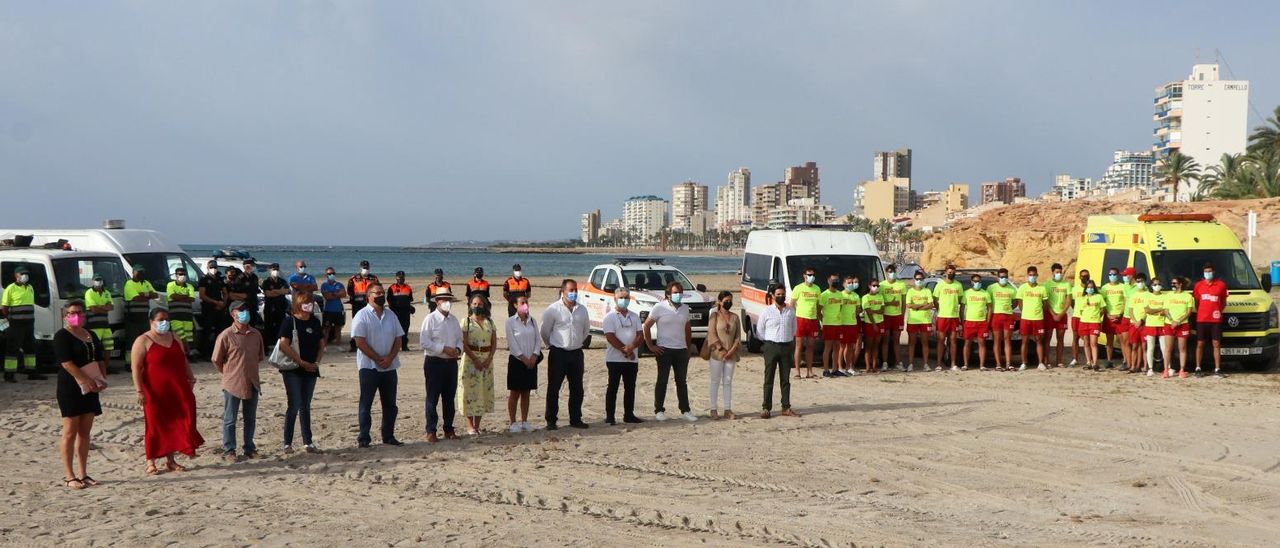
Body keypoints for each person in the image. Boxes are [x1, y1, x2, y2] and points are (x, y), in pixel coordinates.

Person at [131, 308, 203, 475]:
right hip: (155, 391)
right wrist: (139, 390)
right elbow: (136, 368)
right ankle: (151, 461)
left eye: (166, 319)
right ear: (151, 321)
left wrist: (191, 377)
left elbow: (183, 359)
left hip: (178, 388)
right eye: (160, 319)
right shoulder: (143, 340)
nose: (164, 322)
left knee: (181, 419)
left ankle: (171, 460)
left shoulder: (174, 337)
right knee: (155, 425)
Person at [54, 300, 105, 489]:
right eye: (72, 313)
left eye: (80, 312)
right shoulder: (62, 336)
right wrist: (85, 380)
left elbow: (98, 358)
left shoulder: (90, 334)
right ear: (65, 316)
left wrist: (101, 380)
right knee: (70, 431)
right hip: (71, 387)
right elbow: (67, 363)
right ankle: (69, 476)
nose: (77, 315)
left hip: (91, 387)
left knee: (85, 432)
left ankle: (83, 474)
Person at [351, 283, 404, 448]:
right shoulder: (362, 315)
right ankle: (364, 437)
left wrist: (389, 358)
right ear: (369, 296)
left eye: (383, 292)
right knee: (366, 403)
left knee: (390, 404)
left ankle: (388, 436)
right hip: (369, 367)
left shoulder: (391, 315)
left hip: (390, 367)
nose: (381, 295)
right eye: (377, 292)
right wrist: (377, 358)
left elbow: (398, 339)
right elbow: (359, 341)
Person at [212, 300, 265, 462]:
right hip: (232, 384)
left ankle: (249, 448)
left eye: (245, 309)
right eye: (239, 310)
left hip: (252, 382)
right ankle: (229, 450)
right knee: (230, 420)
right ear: (232, 314)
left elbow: (259, 357)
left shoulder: (256, 334)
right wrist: (228, 374)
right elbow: (216, 360)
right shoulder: (226, 335)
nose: (244, 313)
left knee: (250, 418)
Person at [276, 291, 325, 453]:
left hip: (311, 369)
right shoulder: (289, 322)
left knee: (306, 405)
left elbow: (321, 344)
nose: (308, 306)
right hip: (293, 369)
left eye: (310, 302)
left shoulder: (315, 322)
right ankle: (287, 443)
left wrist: (316, 363)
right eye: (305, 302)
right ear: (298, 304)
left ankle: (307, 441)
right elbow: (284, 345)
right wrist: (301, 362)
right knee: (294, 404)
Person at [539, 279, 590, 430]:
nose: (574, 293)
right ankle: (551, 420)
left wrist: (577, 342)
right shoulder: (553, 309)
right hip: (558, 353)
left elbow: (585, 330)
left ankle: (575, 419)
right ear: (563, 291)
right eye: (571, 290)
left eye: (575, 290)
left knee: (577, 388)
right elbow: (544, 331)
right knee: (554, 388)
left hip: (576, 353)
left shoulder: (582, 309)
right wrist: (551, 345)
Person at [644, 281, 696, 422]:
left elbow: (687, 329)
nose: (678, 295)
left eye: (680, 292)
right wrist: (651, 346)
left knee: (682, 381)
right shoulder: (659, 307)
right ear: (668, 294)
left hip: (681, 350)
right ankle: (659, 410)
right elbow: (646, 327)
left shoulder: (685, 308)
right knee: (662, 380)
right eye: (675, 292)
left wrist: (688, 347)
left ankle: (685, 410)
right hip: (664, 350)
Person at [421, 286, 463, 442]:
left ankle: (449, 429)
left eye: (449, 300)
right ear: (437, 302)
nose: (447, 302)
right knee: (432, 397)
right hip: (434, 362)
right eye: (444, 300)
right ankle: (431, 430)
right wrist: (443, 349)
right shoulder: (430, 319)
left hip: (451, 363)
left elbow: (460, 339)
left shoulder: (453, 320)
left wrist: (458, 350)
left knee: (449, 398)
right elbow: (424, 342)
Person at [600, 288, 643, 425]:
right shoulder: (609, 317)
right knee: (613, 387)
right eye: (621, 297)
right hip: (614, 359)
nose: (624, 300)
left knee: (630, 388)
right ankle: (610, 416)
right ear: (615, 299)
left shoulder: (634, 316)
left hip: (632, 359)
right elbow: (610, 336)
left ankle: (629, 415)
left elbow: (640, 335)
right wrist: (625, 350)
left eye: (626, 297)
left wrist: (632, 348)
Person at [756, 284, 800, 419]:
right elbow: (759, 331)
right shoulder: (766, 312)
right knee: (768, 378)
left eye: (783, 294)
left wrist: (786, 341)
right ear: (772, 295)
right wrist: (770, 342)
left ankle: (786, 407)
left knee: (785, 379)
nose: (781, 296)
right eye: (778, 294)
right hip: (771, 347)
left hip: (787, 347)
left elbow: (794, 330)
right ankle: (766, 408)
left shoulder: (791, 311)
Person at [458, 295, 496, 435]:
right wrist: (475, 359)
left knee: (482, 392)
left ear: (484, 305)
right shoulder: (466, 322)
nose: (476, 306)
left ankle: (477, 425)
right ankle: (470, 425)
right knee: (469, 391)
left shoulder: (490, 322)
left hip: (487, 360)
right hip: (470, 360)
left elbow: (494, 342)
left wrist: (489, 358)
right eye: (474, 303)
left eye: (479, 304)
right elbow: (464, 343)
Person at [2, 266, 47, 382]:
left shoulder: (30, 287)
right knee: (13, 349)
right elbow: (4, 307)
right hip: (16, 324)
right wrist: (10, 319)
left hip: (29, 324)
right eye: (22, 274)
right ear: (16, 275)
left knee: (30, 348)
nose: (25, 276)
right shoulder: (10, 289)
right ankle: (9, 374)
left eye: (26, 274)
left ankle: (31, 372)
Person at [505, 295, 541, 432]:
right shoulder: (510, 322)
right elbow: (512, 343)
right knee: (515, 392)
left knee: (526, 392)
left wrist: (534, 355)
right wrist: (523, 358)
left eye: (526, 302)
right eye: (522, 303)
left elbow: (538, 339)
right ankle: (513, 422)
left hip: (532, 361)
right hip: (517, 361)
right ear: (515, 305)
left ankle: (525, 421)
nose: (525, 305)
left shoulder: (533, 321)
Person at [705, 291, 740, 420]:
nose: (728, 303)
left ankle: (727, 409)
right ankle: (713, 409)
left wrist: (731, 351)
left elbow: (737, 337)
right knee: (715, 381)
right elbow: (712, 334)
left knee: (728, 381)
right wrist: (721, 349)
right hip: (717, 354)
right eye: (726, 300)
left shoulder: (735, 317)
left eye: (730, 300)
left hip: (731, 354)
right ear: (719, 302)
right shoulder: (714, 316)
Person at [1193, 263, 1228, 377]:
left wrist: (1217, 310)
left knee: (1216, 343)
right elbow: (1197, 302)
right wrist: (1202, 311)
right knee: (1200, 343)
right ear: (1203, 273)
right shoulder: (1198, 285)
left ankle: (1217, 369)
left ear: (1214, 272)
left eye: (1210, 271)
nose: (1208, 273)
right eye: (1206, 271)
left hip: (1216, 319)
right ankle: (1198, 368)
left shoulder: (1221, 285)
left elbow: (1223, 302)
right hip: (1202, 319)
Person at [122, 265, 157, 369]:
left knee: (146, 339)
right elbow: (137, 298)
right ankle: (130, 363)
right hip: (132, 317)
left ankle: (145, 361)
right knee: (131, 341)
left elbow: (155, 295)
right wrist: (147, 295)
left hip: (144, 317)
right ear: (133, 272)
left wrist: (144, 294)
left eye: (142, 272)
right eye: (138, 272)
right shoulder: (129, 283)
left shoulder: (146, 283)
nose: (141, 274)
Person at [1014, 266, 1049, 371]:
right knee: (1025, 341)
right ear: (1027, 275)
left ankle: (1040, 363)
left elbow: (1045, 304)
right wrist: (1026, 312)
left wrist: (1038, 312)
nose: (1032, 277)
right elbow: (1020, 304)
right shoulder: (1022, 288)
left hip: (1038, 318)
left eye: (1034, 275)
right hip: (1026, 318)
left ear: (1037, 275)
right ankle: (1024, 363)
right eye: (1030, 275)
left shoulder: (1042, 288)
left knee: (1039, 340)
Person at [791, 267, 821, 379]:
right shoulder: (798, 288)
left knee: (810, 347)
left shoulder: (817, 289)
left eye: (813, 274)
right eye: (809, 274)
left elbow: (818, 306)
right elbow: (792, 304)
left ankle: (809, 371)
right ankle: (797, 372)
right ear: (804, 275)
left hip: (812, 320)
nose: (811, 276)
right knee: (799, 346)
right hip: (800, 319)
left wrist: (819, 320)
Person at [933, 265, 964, 371]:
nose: (951, 274)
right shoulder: (940, 285)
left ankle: (953, 364)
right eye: (949, 272)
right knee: (941, 340)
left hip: (954, 317)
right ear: (946, 272)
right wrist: (940, 309)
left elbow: (960, 300)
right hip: (942, 316)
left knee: (953, 341)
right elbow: (935, 299)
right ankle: (938, 364)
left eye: (953, 272)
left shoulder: (958, 285)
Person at [84, 274, 116, 375]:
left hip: (105, 325)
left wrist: (100, 307)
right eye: (96, 280)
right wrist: (104, 307)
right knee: (94, 347)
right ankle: (95, 368)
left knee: (109, 346)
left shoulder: (106, 292)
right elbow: (93, 309)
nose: (98, 282)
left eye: (100, 280)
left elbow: (111, 307)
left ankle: (106, 368)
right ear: (92, 282)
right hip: (94, 326)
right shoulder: (89, 292)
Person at [1164, 277, 1196, 379]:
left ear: (1180, 284)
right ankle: (1166, 370)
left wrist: (1178, 321)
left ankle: (1182, 370)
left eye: (1175, 283)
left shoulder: (1187, 296)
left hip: (1182, 324)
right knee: (1168, 348)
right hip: (1169, 324)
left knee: (1182, 348)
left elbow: (1188, 312)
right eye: (1172, 283)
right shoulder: (1168, 295)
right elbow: (1166, 310)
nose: (1173, 285)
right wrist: (1172, 320)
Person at [1043, 263, 1074, 368]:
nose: (1059, 274)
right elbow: (1046, 301)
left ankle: (1059, 361)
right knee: (1048, 338)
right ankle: (1047, 361)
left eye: (1060, 272)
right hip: (1049, 314)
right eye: (1057, 272)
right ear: (1052, 272)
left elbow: (1068, 300)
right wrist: (1053, 314)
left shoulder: (1067, 284)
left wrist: (1061, 313)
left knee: (1060, 339)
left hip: (1062, 315)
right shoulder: (1047, 284)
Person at [166, 267, 199, 361]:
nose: (182, 276)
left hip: (187, 315)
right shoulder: (170, 285)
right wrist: (185, 297)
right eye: (180, 274)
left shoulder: (189, 286)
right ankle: (188, 353)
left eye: (184, 274)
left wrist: (178, 296)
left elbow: (192, 299)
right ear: (176, 275)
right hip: (175, 315)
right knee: (180, 335)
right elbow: (172, 296)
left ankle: (185, 355)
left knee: (188, 336)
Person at [879, 264, 908, 371]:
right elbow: (879, 301)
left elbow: (904, 303)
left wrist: (902, 315)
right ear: (886, 273)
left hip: (897, 316)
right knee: (885, 340)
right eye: (889, 272)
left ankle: (898, 363)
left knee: (896, 340)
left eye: (893, 271)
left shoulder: (902, 285)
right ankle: (885, 363)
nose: (891, 273)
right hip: (885, 316)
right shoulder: (882, 285)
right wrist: (890, 303)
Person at [347, 260, 380, 352]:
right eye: (364, 268)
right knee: (356, 325)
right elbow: (349, 291)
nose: (366, 269)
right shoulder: (353, 279)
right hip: (357, 305)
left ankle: (371, 344)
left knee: (371, 324)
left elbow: (378, 289)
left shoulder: (374, 278)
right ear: (360, 268)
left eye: (367, 268)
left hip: (370, 305)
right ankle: (354, 345)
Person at [961, 273, 992, 370]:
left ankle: (982, 365)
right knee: (967, 343)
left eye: (979, 281)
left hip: (982, 322)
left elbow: (990, 308)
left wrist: (987, 322)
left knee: (982, 343)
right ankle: (966, 364)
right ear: (971, 282)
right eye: (975, 281)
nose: (977, 283)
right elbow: (962, 308)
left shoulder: (985, 293)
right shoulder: (966, 293)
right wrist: (963, 322)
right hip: (969, 322)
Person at [197, 260, 228, 359]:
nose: (213, 269)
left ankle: (219, 352)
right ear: (207, 268)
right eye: (211, 267)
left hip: (219, 308)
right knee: (207, 331)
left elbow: (225, 292)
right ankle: (205, 353)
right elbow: (202, 295)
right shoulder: (204, 279)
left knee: (220, 331)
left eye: (215, 267)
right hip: (208, 308)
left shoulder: (219, 279)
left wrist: (223, 303)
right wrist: (215, 302)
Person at [988, 269, 1017, 371]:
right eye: (1001, 277)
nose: (1003, 279)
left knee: (1007, 340)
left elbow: (1015, 302)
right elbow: (988, 303)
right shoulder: (991, 288)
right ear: (997, 277)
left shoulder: (1012, 289)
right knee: (997, 340)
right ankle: (998, 364)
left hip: (1008, 316)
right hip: (996, 316)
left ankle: (1008, 364)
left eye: (1005, 277)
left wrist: (1009, 308)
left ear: (1007, 277)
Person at [904, 271, 933, 371]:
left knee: (925, 342)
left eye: (921, 279)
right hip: (913, 320)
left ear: (923, 280)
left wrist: (917, 306)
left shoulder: (927, 291)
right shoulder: (910, 292)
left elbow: (931, 305)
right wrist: (923, 305)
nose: (919, 281)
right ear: (914, 280)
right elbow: (908, 305)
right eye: (917, 279)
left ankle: (925, 364)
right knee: (912, 342)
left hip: (925, 320)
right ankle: (910, 364)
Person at [1100, 267, 1128, 369]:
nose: (1112, 276)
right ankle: (1109, 360)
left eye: (1114, 274)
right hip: (1108, 316)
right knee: (1109, 340)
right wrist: (1108, 315)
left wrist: (1120, 314)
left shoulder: (1123, 287)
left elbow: (1125, 301)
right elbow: (1102, 303)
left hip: (1120, 316)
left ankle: (1125, 360)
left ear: (1118, 275)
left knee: (1122, 341)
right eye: (1110, 274)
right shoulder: (1104, 288)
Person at [1143, 277, 1171, 377]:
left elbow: (1165, 311)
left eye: (1158, 284)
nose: (1157, 286)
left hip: (1162, 324)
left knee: (1164, 347)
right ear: (1151, 286)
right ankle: (1150, 368)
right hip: (1150, 324)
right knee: (1150, 347)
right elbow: (1147, 310)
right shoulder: (1148, 296)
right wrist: (1159, 310)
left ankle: (1167, 368)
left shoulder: (1165, 296)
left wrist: (1154, 310)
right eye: (1154, 284)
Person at [818, 275, 845, 378]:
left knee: (837, 347)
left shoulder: (840, 294)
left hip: (838, 324)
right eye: (833, 280)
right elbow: (818, 310)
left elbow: (840, 307)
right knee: (828, 347)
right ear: (828, 281)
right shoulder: (824, 295)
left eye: (837, 280)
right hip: (828, 324)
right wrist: (822, 321)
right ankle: (825, 370)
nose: (835, 282)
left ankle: (835, 369)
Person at [1075, 280, 1106, 370]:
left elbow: (1103, 308)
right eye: (1088, 287)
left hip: (1094, 322)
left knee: (1094, 343)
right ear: (1085, 289)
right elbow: (1080, 310)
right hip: (1084, 322)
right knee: (1086, 343)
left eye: (1092, 287)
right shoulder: (1082, 298)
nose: (1090, 289)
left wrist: (1097, 316)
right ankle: (1088, 362)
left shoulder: (1099, 297)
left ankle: (1095, 362)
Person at [1125, 273, 1151, 374]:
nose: (1140, 283)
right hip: (1134, 323)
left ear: (1145, 282)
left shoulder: (1148, 294)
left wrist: (1142, 320)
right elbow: (1130, 310)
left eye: (1142, 281)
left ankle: (1145, 366)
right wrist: (1135, 321)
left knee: (1144, 346)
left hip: (1144, 323)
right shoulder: (1133, 295)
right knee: (1134, 346)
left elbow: (1149, 309)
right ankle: (1133, 366)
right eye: (1138, 281)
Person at [260, 263, 290, 348]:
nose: (275, 271)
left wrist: (274, 291)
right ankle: (265, 348)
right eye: (273, 269)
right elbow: (268, 294)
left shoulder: (282, 281)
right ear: (270, 270)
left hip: (280, 308)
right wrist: (280, 291)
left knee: (281, 328)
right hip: (270, 309)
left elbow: (286, 291)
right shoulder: (266, 282)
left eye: (277, 269)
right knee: (268, 328)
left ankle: (280, 347)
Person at [860, 280, 885, 374]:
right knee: (868, 346)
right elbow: (868, 312)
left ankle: (874, 366)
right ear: (869, 286)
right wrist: (874, 323)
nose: (876, 287)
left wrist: (874, 311)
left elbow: (882, 310)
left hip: (880, 322)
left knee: (876, 345)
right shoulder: (865, 297)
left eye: (877, 285)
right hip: (870, 324)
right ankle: (868, 366)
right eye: (874, 285)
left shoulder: (880, 296)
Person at [838, 275, 862, 376]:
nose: (851, 284)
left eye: (852, 283)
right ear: (844, 284)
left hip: (853, 324)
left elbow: (857, 310)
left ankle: (849, 367)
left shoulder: (856, 296)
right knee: (842, 347)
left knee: (851, 346)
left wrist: (856, 313)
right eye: (848, 283)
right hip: (843, 324)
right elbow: (837, 309)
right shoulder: (840, 295)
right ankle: (840, 368)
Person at [1069, 269, 1092, 367]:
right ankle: (1075, 359)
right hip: (1077, 316)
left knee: (1088, 339)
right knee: (1075, 337)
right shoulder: (1074, 289)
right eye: (1082, 276)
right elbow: (1072, 303)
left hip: (1087, 317)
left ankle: (1089, 359)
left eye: (1086, 275)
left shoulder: (1091, 288)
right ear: (1079, 277)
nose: (1084, 277)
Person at [387, 271, 415, 352]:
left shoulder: (408, 287)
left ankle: (404, 346)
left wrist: (410, 308)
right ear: (396, 278)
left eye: (402, 278)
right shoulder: (391, 288)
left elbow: (410, 300)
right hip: (395, 312)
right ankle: (394, 346)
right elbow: (389, 299)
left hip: (405, 312)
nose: (401, 279)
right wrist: (392, 308)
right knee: (395, 330)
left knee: (405, 329)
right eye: (399, 278)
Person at [320, 267, 347, 346]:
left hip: (338, 310)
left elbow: (344, 294)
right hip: (328, 310)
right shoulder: (324, 285)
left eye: (333, 273)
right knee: (326, 329)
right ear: (326, 275)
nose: (331, 275)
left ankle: (338, 345)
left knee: (338, 329)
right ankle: (324, 346)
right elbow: (327, 297)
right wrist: (338, 294)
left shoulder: (340, 284)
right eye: (329, 274)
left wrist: (333, 294)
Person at [240, 259, 263, 329]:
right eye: (251, 266)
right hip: (244, 305)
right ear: (245, 267)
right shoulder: (241, 277)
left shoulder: (254, 277)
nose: (252, 267)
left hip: (253, 304)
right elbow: (238, 291)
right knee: (244, 324)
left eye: (253, 266)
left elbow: (256, 289)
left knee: (253, 323)